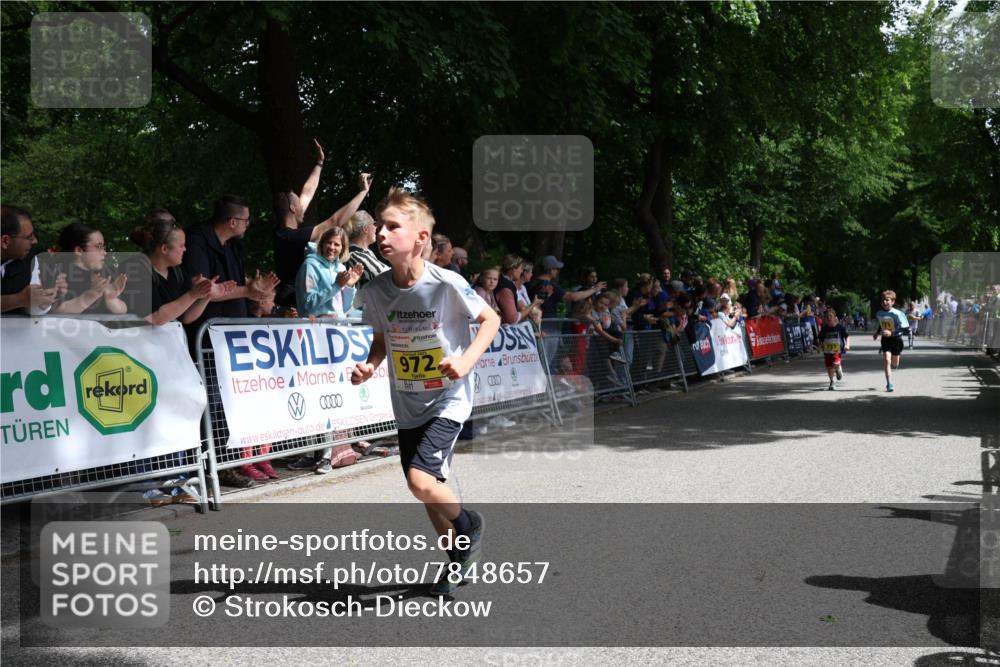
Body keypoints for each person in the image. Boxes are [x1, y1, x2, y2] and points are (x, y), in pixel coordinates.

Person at [350, 187, 500, 596]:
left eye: (392, 226)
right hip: (407, 404)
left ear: (420, 238)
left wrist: (465, 362)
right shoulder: (376, 291)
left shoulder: (445, 282)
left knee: (420, 481)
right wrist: (370, 366)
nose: (381, 233)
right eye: (379, 226)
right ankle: (459, 560)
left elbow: (491, 320)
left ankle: (470, 525)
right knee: (429, 492)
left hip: (448, 398)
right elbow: (381, 340)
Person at [273, 141, 371, 308]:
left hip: (295, 301)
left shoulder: (283, 232)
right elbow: (335, 221)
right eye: (298, 203)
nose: (303, 204)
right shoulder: (291, 237)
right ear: (293, 208)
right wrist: (363, 192)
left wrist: (319, 163)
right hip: (293, 305)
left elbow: (307, 193)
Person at [182, 195, 279, 340]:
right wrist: (247, 291)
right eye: (246, 220)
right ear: (233, 222)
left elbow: (234, 282)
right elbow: (201, 289)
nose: (248, 224)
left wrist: (253, 285)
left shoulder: (232, 245)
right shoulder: (196, 242)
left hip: (233, 337)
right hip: (208, 337)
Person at [130, 210, 236, 325]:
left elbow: (185, 317)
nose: (185, 249)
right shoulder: (135, 270)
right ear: (165, 249)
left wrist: (206, 294)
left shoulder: (176, 272)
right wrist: (192, 294)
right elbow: (156, 318)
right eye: (181, 246)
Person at [49, 222, 128, 315]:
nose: (104, 252)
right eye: (99, 247)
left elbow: (123, 309)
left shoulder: (104, 275)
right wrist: (91, 295)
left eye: (103, 247)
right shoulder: (58, 275)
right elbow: (55, 310)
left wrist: (111, 299)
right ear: (79, 250)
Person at [1, 206, 64, 315]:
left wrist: (45, 299)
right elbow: (23, 299)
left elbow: (32, 307)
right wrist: (19, 299)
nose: (35, 241)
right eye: (29, 237)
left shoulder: (27, 259)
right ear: (5, 241)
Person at [295, 226, 364, 319]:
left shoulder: (341, 268)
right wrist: (336, 286)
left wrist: (349, 286)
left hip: (338, 325)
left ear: (342, 248)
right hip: (316, 325)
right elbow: (307, 304)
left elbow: (345, 308)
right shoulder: (310, 265)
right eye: (329, 242)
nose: (332, 247)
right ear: (322, 244)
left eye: (336, 244)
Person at [872, 290, 909, 392]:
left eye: (887, 300)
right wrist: (877, 333)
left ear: (892, 301)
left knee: (894, 364)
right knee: (887, 360)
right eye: (883, 300)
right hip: (885, 340)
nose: (884, 302)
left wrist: (891, 333)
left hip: (896, 339)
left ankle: (895, 364)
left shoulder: (898, 313)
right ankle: (889, 384)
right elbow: (882, 324)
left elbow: (905, 328)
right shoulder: (879, 313)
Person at [343, 210, 389, 292]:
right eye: (374, 224)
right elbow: (387, 277)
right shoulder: (355, 255)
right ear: (365, 229)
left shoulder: (363, 252)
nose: (376, 228)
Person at [818, 307, 850, 390]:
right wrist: (819, 347)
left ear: (835, 317)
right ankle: (832, 381)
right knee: (829, 367)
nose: (829, 318)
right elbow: (820, 339)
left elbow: (847, 336)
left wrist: (847, 345)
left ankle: (838, 368)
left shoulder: (840, 327)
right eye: (827, 317)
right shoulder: (824, 329)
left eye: (830, 316)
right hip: (827, 351)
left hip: (837, 351)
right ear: (825, 319)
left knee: (835, 363)